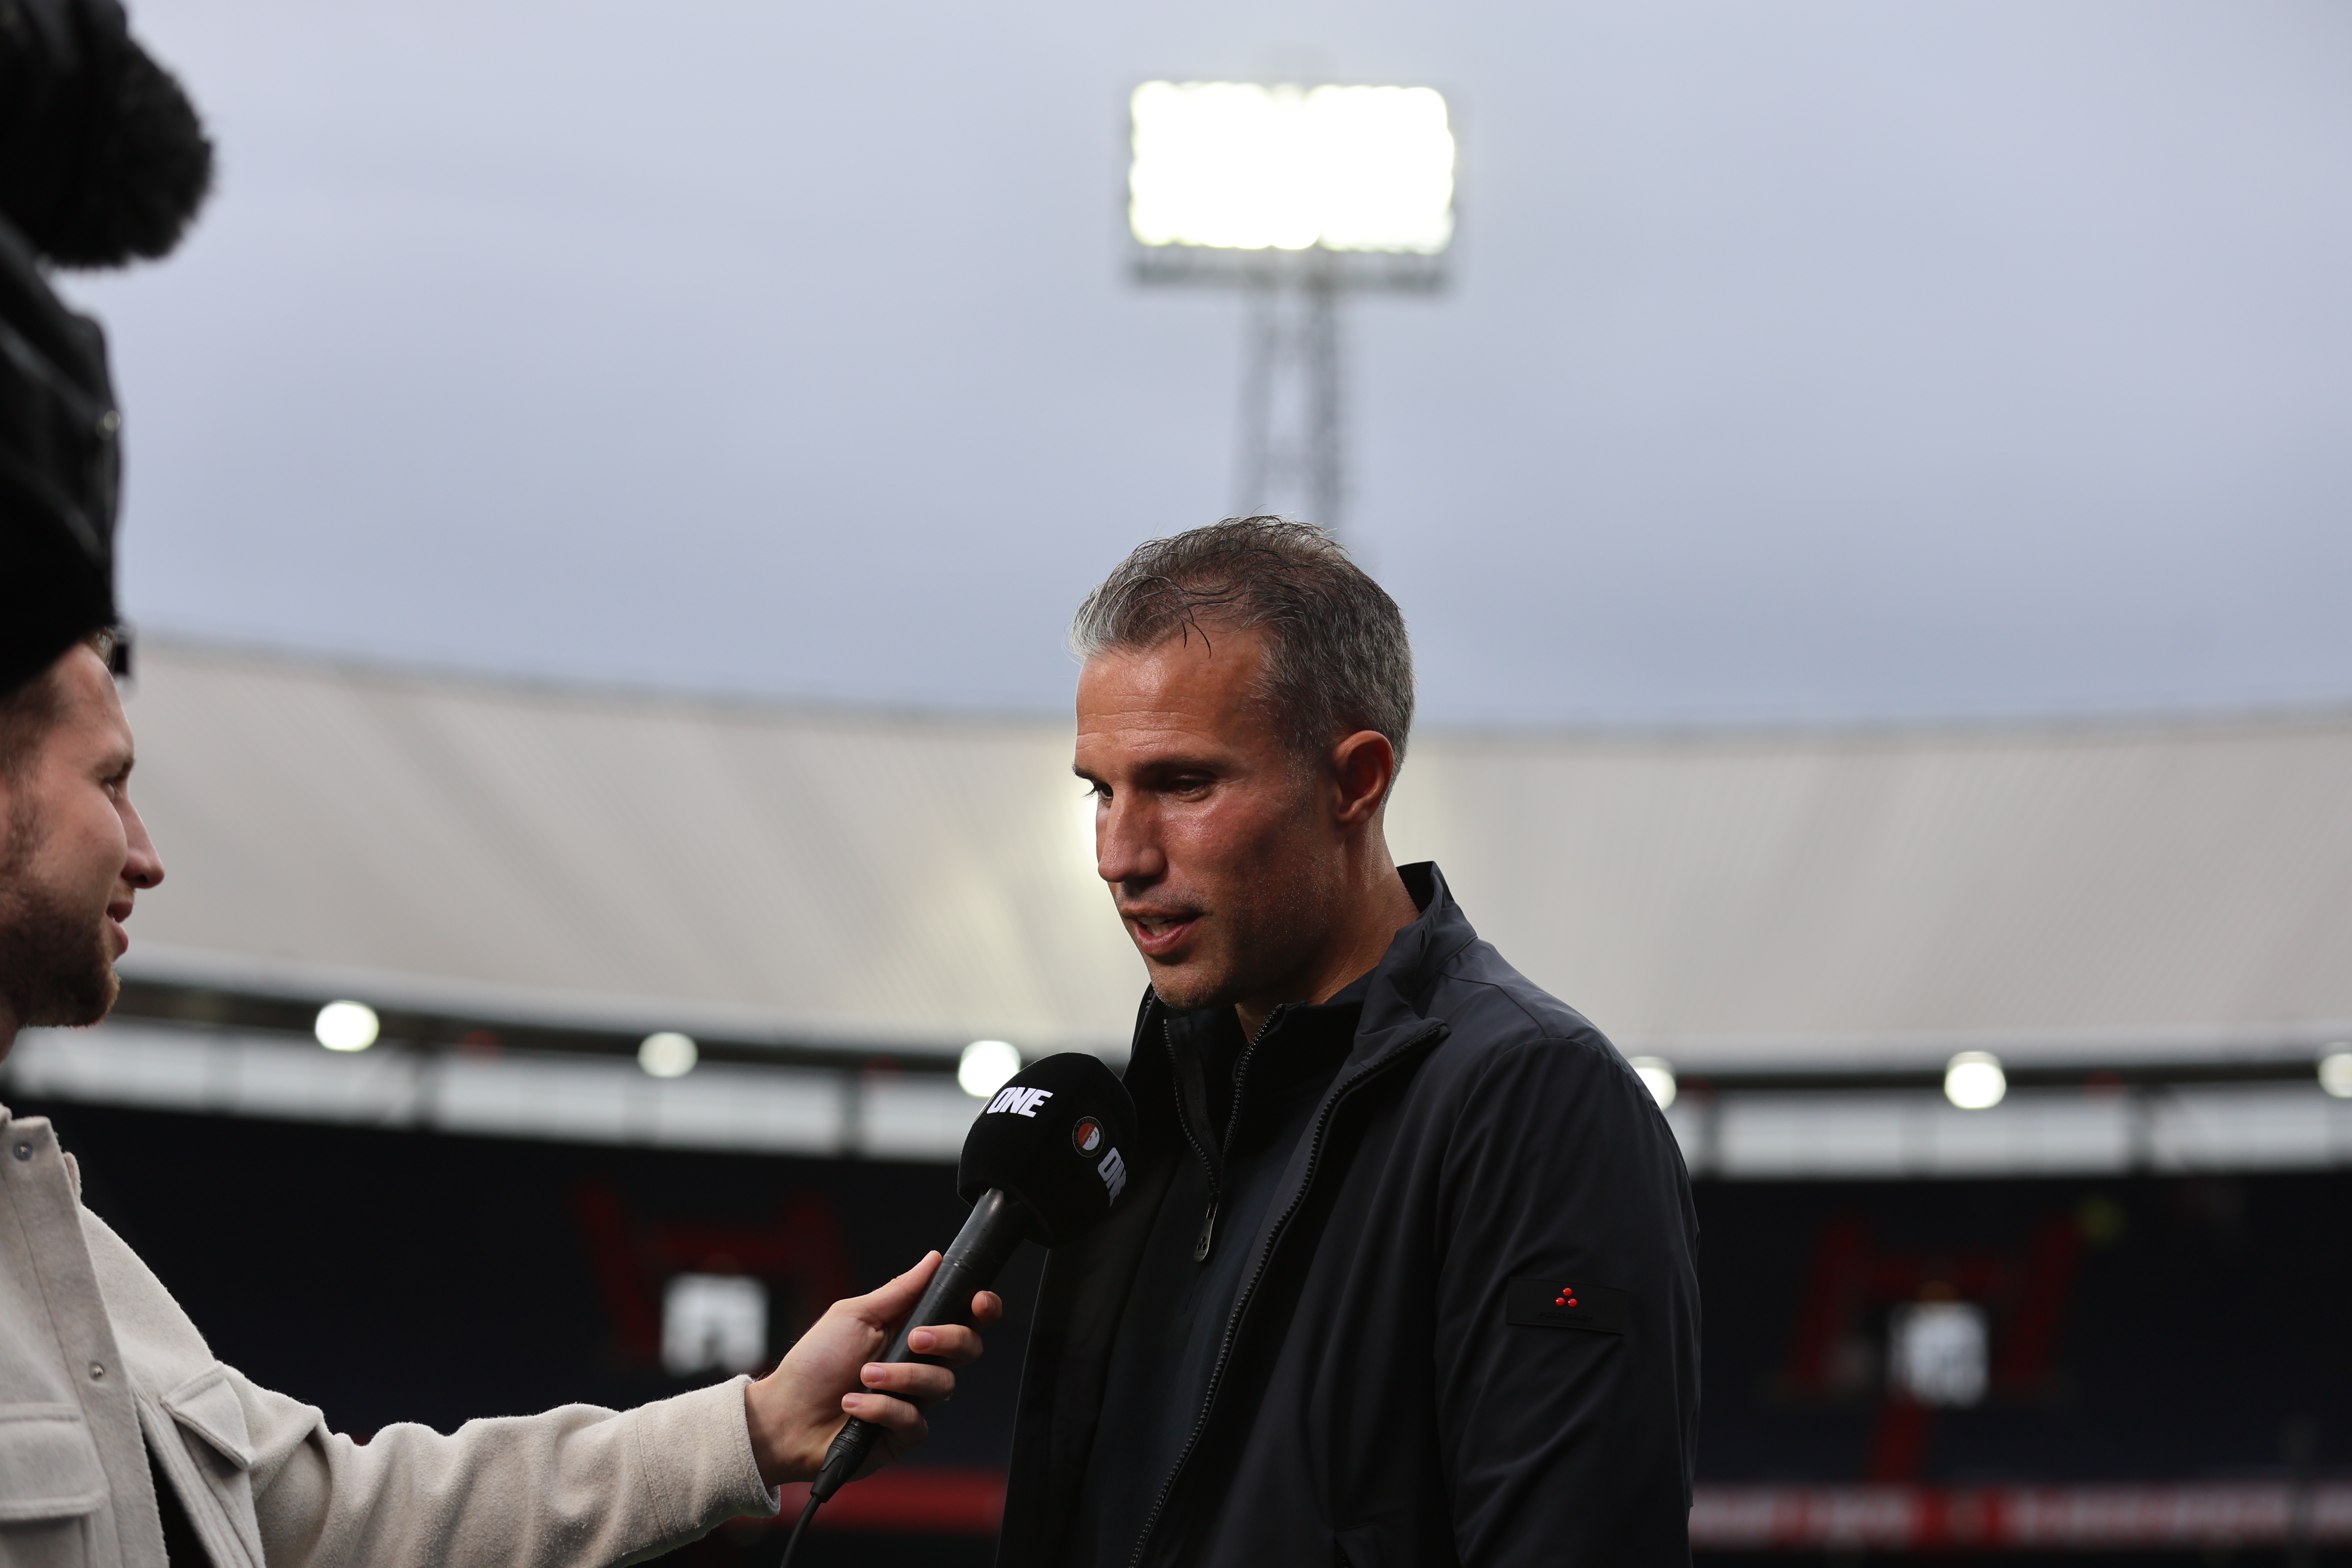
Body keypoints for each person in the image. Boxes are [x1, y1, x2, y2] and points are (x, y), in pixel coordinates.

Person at [2, 8, 995, 1564]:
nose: (147, 851)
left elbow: (332, 1519)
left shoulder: (60, 1249)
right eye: (109, 784)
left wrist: (739, 1428)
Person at [999, 519, 1701, 1566]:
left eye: (1184, 785)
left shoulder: (1535, 1104)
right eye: (1101, 791)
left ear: (1356, 781)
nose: (1119, 855)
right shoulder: (1148, 1115)